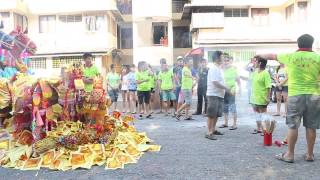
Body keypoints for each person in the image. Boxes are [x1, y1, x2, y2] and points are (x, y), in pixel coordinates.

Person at [255, 34, 320, 163]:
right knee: (311, 127)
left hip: (295, 95)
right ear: (311, 44)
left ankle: (290, 155)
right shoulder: (318, 57)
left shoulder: (290, 56)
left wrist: (259, 54)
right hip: (314, 95)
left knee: (293, 126)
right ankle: (309, 154)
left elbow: (272, 55)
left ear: (298, 44)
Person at [205, 51, 230, 140]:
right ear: (217, 58)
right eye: (222, 57)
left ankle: (213, 129)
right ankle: (209, 132)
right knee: (211, 114)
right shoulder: (213, 68)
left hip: (219, 95)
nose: (224, 59)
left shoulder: (219, 68)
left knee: (217, 114)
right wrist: (226, 88)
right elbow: (215, 82)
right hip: (213, 94)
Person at [250, 57, 271, 135]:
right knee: (257, 114)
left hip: (262, 97)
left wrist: (268, 97)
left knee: (263, 115)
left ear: (260, 63)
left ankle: (265, 130)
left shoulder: (266, 73)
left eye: (256, 62)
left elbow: (268, 87)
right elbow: (250, 79)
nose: (254, 63)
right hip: (254, 97)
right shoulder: (255, 71)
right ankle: (259, 128)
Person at [220, 55, 241, 130]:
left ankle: (234, 124)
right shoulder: (221, 69)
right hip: (223, 90)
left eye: (227, 61)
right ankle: (226, 123)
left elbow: (238, 80)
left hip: (231, 90)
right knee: (225, 107)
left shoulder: (233, 69)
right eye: (224, 61)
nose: (225, 62)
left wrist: (239, 90)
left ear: (230, 61)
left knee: (232, 107)